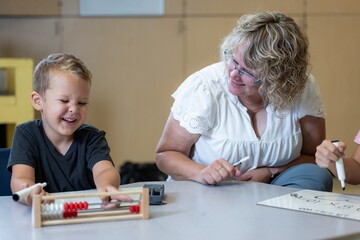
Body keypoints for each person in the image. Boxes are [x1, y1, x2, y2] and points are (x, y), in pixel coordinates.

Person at [155, 12, 333, 191]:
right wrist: (202, 173)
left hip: (275, 187)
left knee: (317, 176)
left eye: (248, 72)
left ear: (278, 79)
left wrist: (271, 171)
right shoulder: (204, 87)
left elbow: (314, 157)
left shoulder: (302, 88)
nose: (233, 74)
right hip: (211, 191)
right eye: (233, 60)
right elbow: (166, 154)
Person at [7, 53, 131, 206]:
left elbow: (104, 170)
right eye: (64, 100)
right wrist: (30, 191)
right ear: (38, 101)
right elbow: (20, 178)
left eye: (82, 103)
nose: (74, 109)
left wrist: (106, 185)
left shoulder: (92, 137)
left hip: (85, 218)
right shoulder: (26, 134)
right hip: (44, 218)